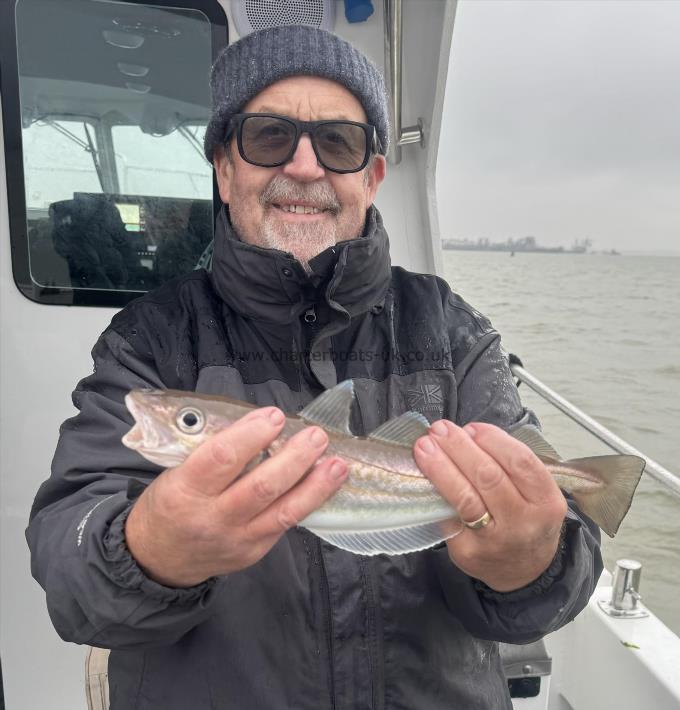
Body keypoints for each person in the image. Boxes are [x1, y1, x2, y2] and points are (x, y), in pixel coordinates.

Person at [26, 25, 602, 710]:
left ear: (373, 174)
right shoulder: (146, 342)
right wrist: (149, 552)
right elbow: (70, 572)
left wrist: (532, 563)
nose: (304, 167)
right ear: (224, 165)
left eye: (338, 142)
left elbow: (553, 579)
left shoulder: (452, 330)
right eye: (269, 137)